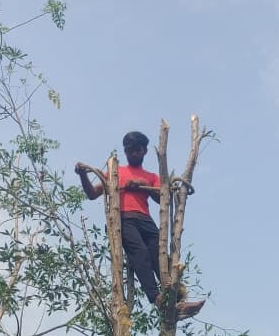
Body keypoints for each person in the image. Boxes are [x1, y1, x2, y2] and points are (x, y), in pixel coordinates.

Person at [75, 131, 205, 320]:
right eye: (130, 150)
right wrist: (82, 176)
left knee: (159, 256)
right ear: (126, 151)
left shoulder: (152, 176)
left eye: (137, 150)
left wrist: (142, 184)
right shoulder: (115, 172)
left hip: (145, 219)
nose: (134, 153)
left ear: (144, 151)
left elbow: (162, 197)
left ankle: (178, 301)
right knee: (140, 254)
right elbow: (92, 194)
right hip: (125, 219)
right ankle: (157, 298)